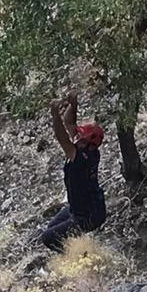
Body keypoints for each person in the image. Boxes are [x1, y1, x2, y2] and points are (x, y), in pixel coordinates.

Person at [40, 92, 107, 252]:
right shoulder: (89, 149)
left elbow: (61, 136)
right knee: (53, 227)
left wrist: (54, 113)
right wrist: (73, 105)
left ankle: (77, 258)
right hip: (81, 207)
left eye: (81, 137)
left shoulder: (81, 157)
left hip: (89, 215)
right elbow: (70, 124)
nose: (77, 137)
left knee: (48, 238)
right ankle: (77, 248)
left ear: (88, 144)